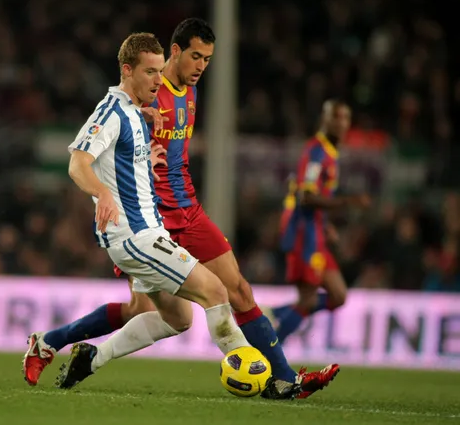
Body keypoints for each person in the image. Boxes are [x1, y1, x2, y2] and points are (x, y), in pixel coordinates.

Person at [24, 20, 338, 399]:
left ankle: (284, 378)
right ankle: (246, 363)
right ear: (175, 52)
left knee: (233, 292)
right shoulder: (141, 96)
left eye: (207, 59)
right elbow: (97, 146)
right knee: (151, 309)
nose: (201, 66)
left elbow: (154, 146)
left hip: (184, 210)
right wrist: (105, 192)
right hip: (145, 222)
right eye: (195, 56)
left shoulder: (187, 91)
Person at [268, 100, 371, 346]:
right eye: (337, 117)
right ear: (325, 120)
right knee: (308, 300)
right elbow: (306, 196)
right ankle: (270, 350)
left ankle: (275, 314)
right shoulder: (317, 152)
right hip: (304, 234)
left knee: (338, 295)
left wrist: (325, 225)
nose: (342, 123)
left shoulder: (330, 153)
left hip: (316, 231)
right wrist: (350, 201)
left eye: (346, 118)